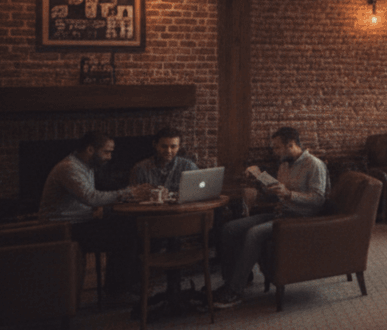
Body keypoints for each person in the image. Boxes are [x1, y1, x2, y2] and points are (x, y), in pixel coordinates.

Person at [214, 127, 329, 308]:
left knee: (254, 233)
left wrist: (289, 194)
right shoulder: (284, 164)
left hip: (300, 219)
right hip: (280, 212)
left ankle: (234, 292)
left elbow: (318, 199)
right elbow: (278, 192)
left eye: (276, 148)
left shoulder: (314, 165)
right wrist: (260, 180)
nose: (274, 152)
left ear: (291, 145)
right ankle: (234, 280)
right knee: (230, 228)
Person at [39, 132, 152, 294]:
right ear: (91, 149)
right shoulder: (69, 167)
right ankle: (118, 292)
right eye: (107, 152)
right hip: (61, 228)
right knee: (127, 236)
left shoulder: (85, 166)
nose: (110, 157)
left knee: (131, 225)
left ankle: (127, 287)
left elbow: (87, 199)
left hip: (77, 222)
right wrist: (129, 193)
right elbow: (91, 197)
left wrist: (99, 207)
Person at [130, 127, 199, 192]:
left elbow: (197, 191)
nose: (168, 151)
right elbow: (130, 195)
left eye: (173, 147)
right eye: (164, 146)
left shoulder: (189, 167)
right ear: (155, 145)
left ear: (179, 147)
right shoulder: (140, 169)